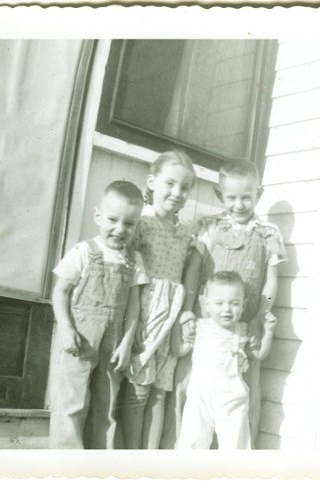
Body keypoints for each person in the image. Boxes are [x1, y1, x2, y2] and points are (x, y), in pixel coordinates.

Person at [162, 159, 286, 449]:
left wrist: (259, 317)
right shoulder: (209, 226)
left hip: (245, 328)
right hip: (206, 327)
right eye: (231, 197)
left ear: (259, 194)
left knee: (243, 398)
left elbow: (271, 283)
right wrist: (187, 312)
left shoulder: (269, 234)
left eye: (247, 197)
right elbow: (193, 271)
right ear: (220, 196)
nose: (240, 204)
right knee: (192, 393)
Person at [48, 180, 149, 449]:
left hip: (113, 344)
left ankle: (97, 466)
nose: (120, 229)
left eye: (129, 224)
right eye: (113, 220)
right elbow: (60, 292)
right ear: (97, 217)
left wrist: (127, 344)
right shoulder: (83, 251)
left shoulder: (134, 260)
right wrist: (67, 329)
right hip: (80, 340)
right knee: (72, 403)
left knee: (106, 406)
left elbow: (133, 306)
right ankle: (65, 466)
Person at [118, 149, 199, 449]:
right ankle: (132, 459)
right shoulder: (140, 223)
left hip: (172, 316)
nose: (177, 193)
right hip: (145, 313)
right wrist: (133, 318)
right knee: (139, 389)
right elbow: (128, 276)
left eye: (185, 187)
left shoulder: (185, 233)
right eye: (170, 184)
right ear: (152, 182)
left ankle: (150, 462)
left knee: (160, 391)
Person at [176, 272, 275, 449]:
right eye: (219, 303)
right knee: (192, 442)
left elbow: (259, 354)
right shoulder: (200, 327)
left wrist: (269, 332)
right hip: (201, 396)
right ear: (206, 304)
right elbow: (179, 349)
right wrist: (182, 320)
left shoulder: (243, 330)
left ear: (243, 305)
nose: (227, 309)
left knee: (235, 446)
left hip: (232, 397)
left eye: (234, 303)